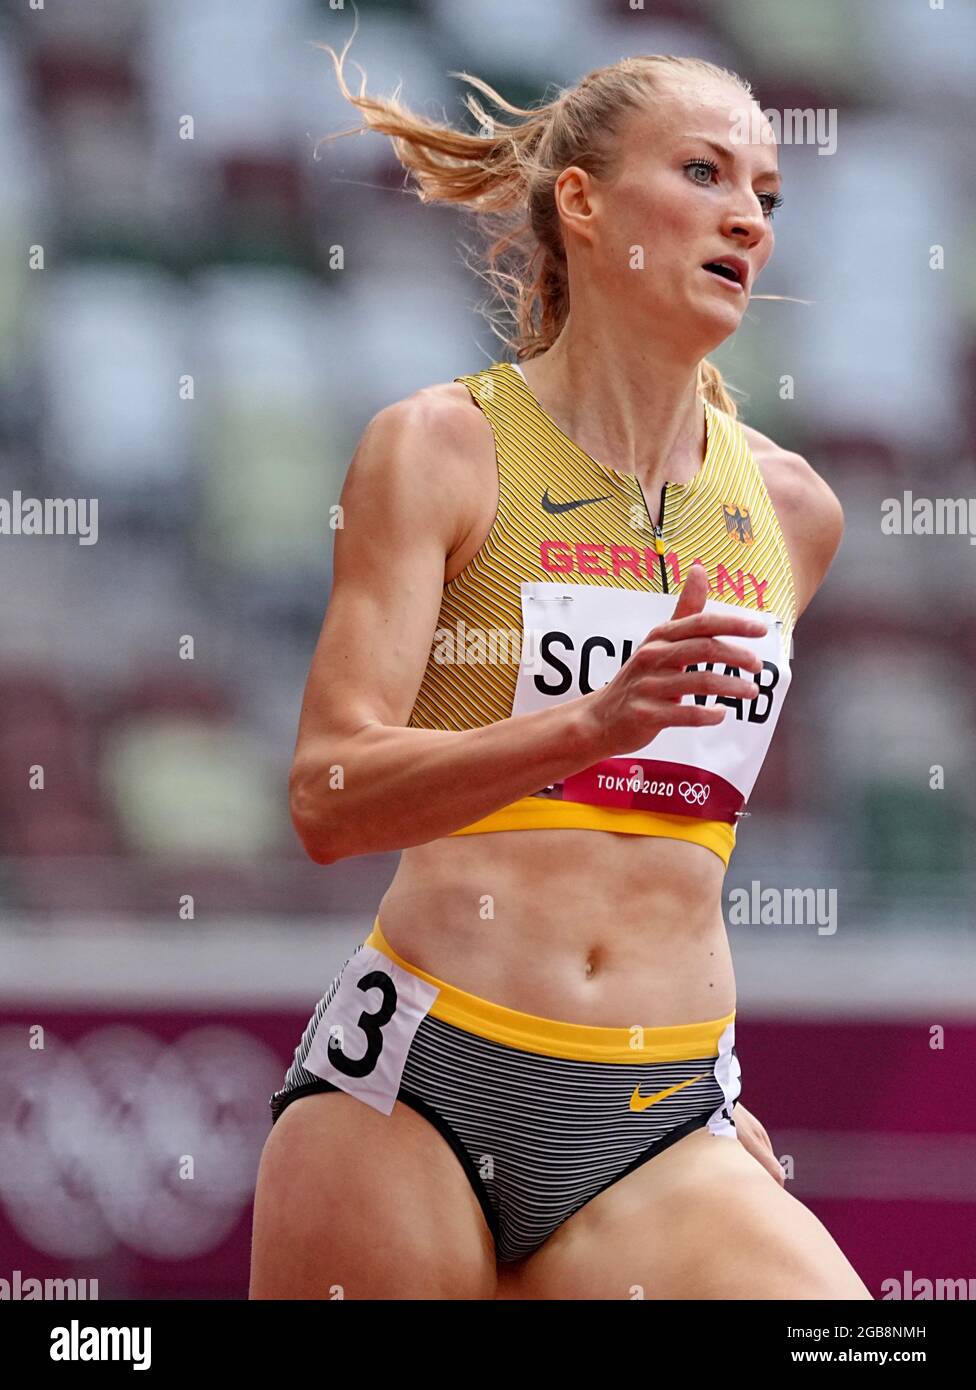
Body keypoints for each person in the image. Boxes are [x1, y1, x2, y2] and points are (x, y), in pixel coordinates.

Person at [249, 39, 871, 1300]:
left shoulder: (792, 511)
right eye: (701, 173)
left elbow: (675, 836)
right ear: (582, 205)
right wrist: (582, 726)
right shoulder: (438, 449)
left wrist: (719, 1091)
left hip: (657, 1109)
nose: (745, 214)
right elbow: (327, 795)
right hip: (416, 1086)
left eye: (764, 193)